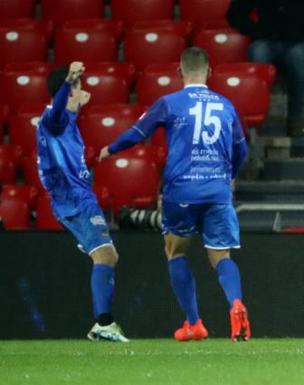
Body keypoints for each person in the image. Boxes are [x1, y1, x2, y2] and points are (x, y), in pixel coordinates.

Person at [99, 47, 251, 342]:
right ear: (209, 72)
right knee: (221, 255)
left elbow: (138, 132)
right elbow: (242, 149)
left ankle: (194, 323)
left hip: (182, 189)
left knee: (175, 251)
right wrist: (229, 176)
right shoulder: (225, 105)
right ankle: (235, 303)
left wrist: (111, 149)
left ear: (180, 72)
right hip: (217, 190)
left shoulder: (169, 103)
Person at [37, 62, 128, 342]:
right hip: (74, 200)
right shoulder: (53, 118)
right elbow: (58, 111)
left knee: (108, 256)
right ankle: (103, 323)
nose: (83, 89)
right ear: (69, 90)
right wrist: (69, 81)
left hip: (77, 197)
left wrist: (76, 100)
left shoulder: (67, 122)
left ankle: (104, 323)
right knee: (106, 256)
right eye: (79, 85)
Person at [226, 0, 304, 137]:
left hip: (299, 43)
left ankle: (295, 118)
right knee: (258, 52)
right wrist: (256, 31)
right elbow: (234, 14)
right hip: (267, 41)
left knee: (297, 56)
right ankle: (254, 117)